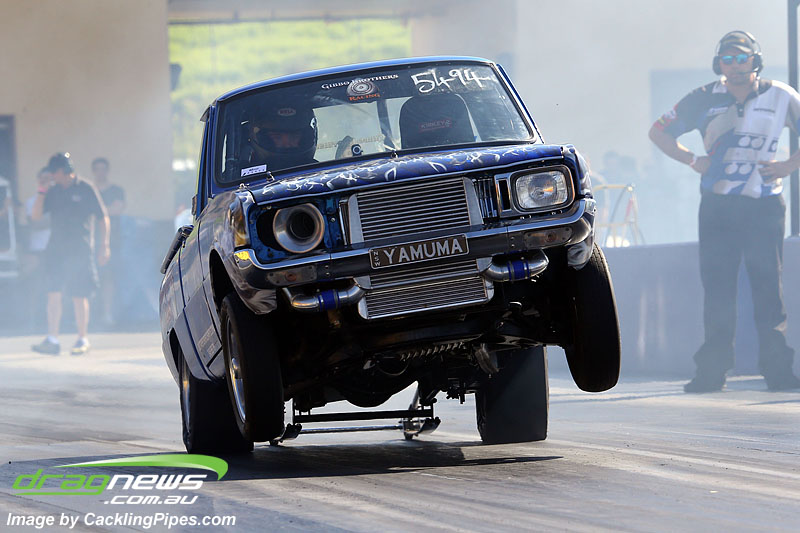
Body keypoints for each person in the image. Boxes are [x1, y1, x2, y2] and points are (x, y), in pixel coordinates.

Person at [649, 30, 800, 392]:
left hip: (764, 205)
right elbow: (658, 132)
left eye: (741, 58)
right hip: (718, 207)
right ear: (719, 64)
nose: (735, 66)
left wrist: (788, 166)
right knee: (718, 291)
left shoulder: (781, 95)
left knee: (768, 289)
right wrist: (692, 160)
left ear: (755, 61)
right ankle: (711, 373)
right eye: (727, 60)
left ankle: (778, 372)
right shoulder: (702, 97)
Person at [30, 153, 109, 355]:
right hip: (56, 249)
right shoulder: (53, 191)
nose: (52, 177)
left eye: (53, 173)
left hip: (80, 249)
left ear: (62, 171)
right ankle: (52, 339)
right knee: (53, 293)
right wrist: (41, 190)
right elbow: (35, 217)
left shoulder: (86, 188)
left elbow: (102, 217)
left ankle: (82, 338)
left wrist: (104, 245)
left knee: (79, 294)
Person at [90, 157, 125, 327]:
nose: (100, 172)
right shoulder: (89, 191)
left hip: (112, 241)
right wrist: (105, 210)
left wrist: (96, 212)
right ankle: (90, 316)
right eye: (97, 169)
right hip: (90, 241)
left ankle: (107, 313)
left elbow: (117, 209)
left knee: (109, 277)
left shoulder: (116, 190)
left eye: (103, 169)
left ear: (107, 171)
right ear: (93, 171)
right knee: (90, 279)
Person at [246, 102, 318, 171]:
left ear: (306, 138)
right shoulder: (247, 176)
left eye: (294, 136)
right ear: (262, 138)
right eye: (277, 137)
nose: (287, 144)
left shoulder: (319, 171)